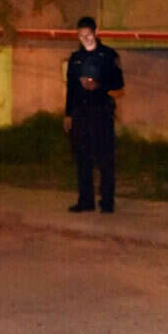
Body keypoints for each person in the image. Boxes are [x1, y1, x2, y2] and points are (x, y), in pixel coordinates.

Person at [64, 16, 124, 213]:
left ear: (96, 32)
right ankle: (86, 200)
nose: (85, 40)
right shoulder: (76, 59)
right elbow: (71, 89)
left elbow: (119, 85)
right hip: (81, 113)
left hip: (102, 112)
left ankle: (107, 201)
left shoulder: (108, 55)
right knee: (82, 158)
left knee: (105, 158)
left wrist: (99, 85)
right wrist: (68, 114)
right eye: (81, 36)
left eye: (88, 35)